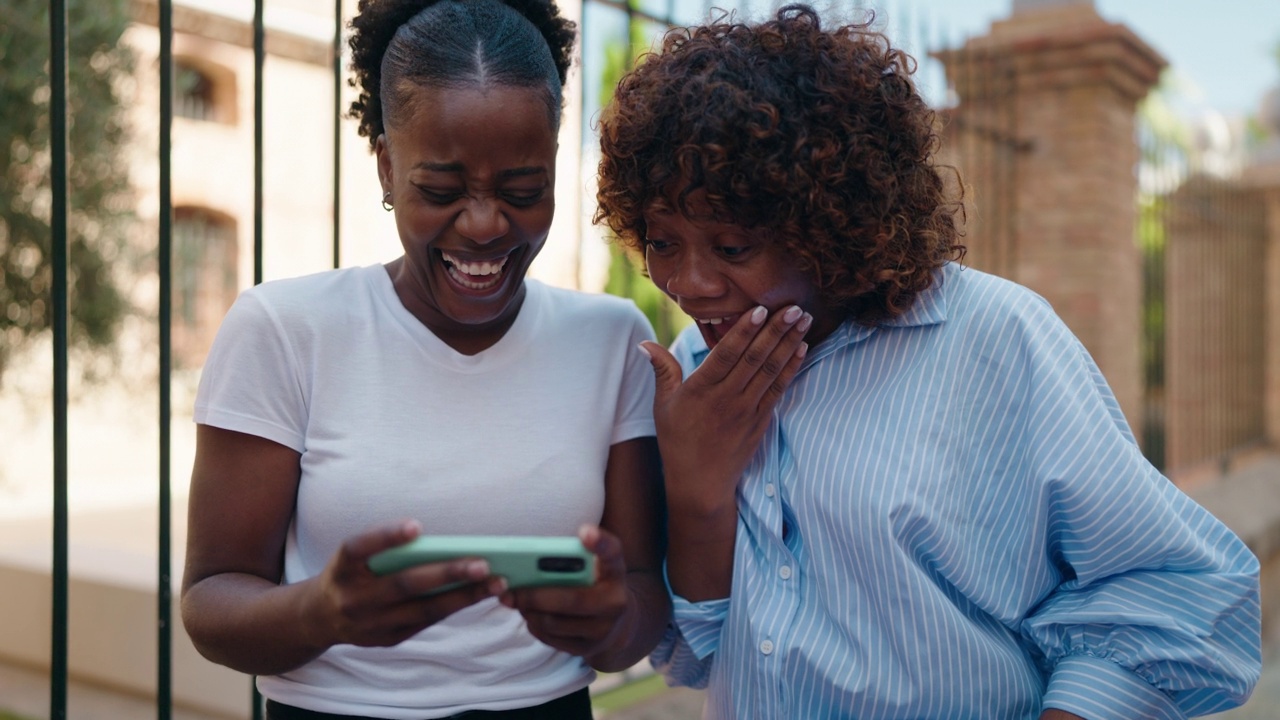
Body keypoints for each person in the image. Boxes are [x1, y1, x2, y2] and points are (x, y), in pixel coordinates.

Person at [594, 4, 1261, 719]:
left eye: (732, 248)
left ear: (829, 225)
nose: (689, 284)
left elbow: (1181, 590)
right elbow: (697, 655)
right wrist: (699, 493)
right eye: (663, 242)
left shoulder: (992, 338)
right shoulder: (699, 366)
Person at [180, 1, 669, 718]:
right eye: (440, 191)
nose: (482, 224)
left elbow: (642, 599)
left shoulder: (611, 338)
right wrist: (325, 612)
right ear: (386, 167)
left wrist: (609, 622)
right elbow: (210, 600)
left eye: (522, 191)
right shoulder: (284, 329)